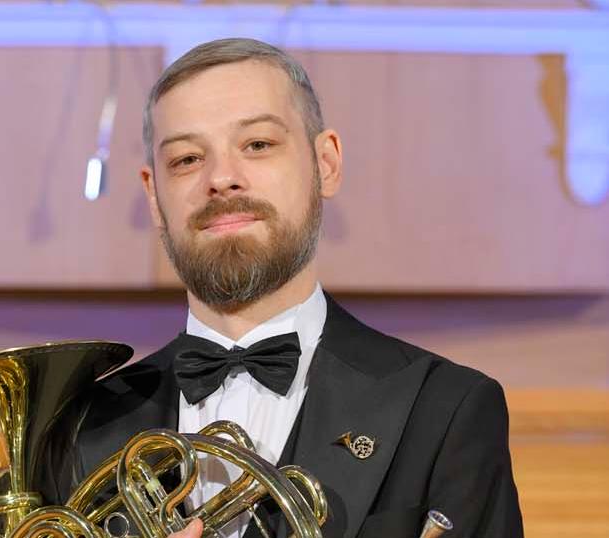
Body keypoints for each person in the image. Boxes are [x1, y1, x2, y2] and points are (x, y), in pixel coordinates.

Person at [45, 38, 524, 538]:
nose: (221, 178)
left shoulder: (445, 409)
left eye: (257, 145)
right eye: (186, 159)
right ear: (153, 195)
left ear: (326, 164)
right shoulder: (78, 430)